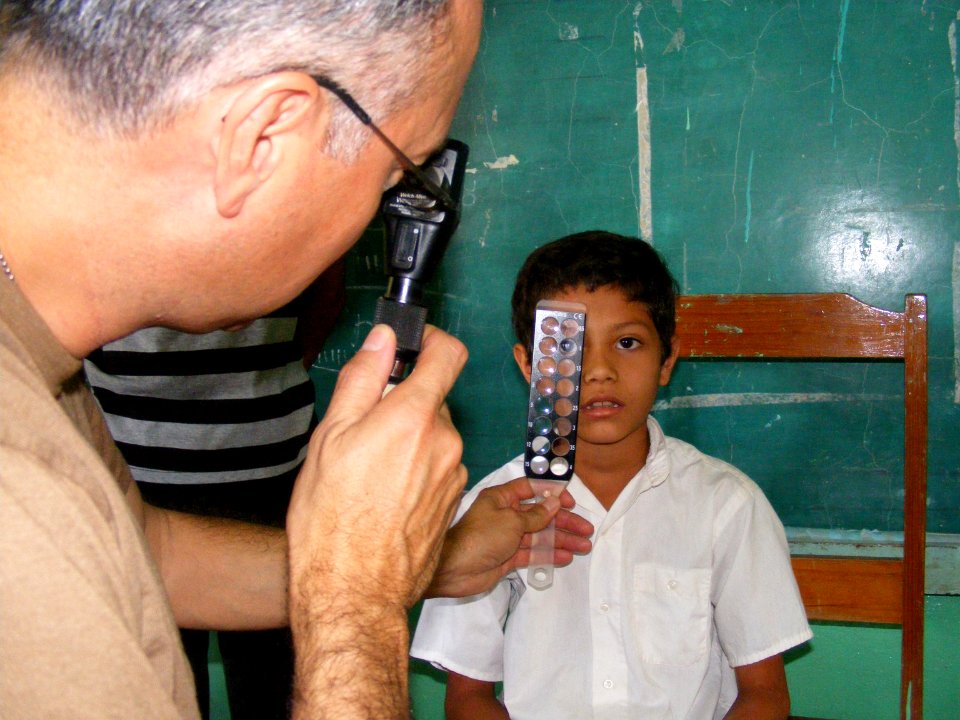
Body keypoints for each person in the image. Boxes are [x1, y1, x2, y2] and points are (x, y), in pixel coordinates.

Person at [0, 3, 595, 719]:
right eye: (397, 179)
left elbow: (144, 550)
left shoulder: (34, 352)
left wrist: (402, 562)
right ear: (264, 135)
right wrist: (358, 607)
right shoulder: (16, 489)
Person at [411, 231, 813, 720]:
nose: (598, 369)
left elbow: (765, 695)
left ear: (667, 359)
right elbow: (468, 698)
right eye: (566, 345)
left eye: (627, 342)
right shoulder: (491, 512)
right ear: (528, 365)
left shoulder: (727, 505)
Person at [83, 262, 345, 720]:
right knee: (155, 687)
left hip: (270, 468)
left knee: (277, 687)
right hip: (129, 470)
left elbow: (326, 283)